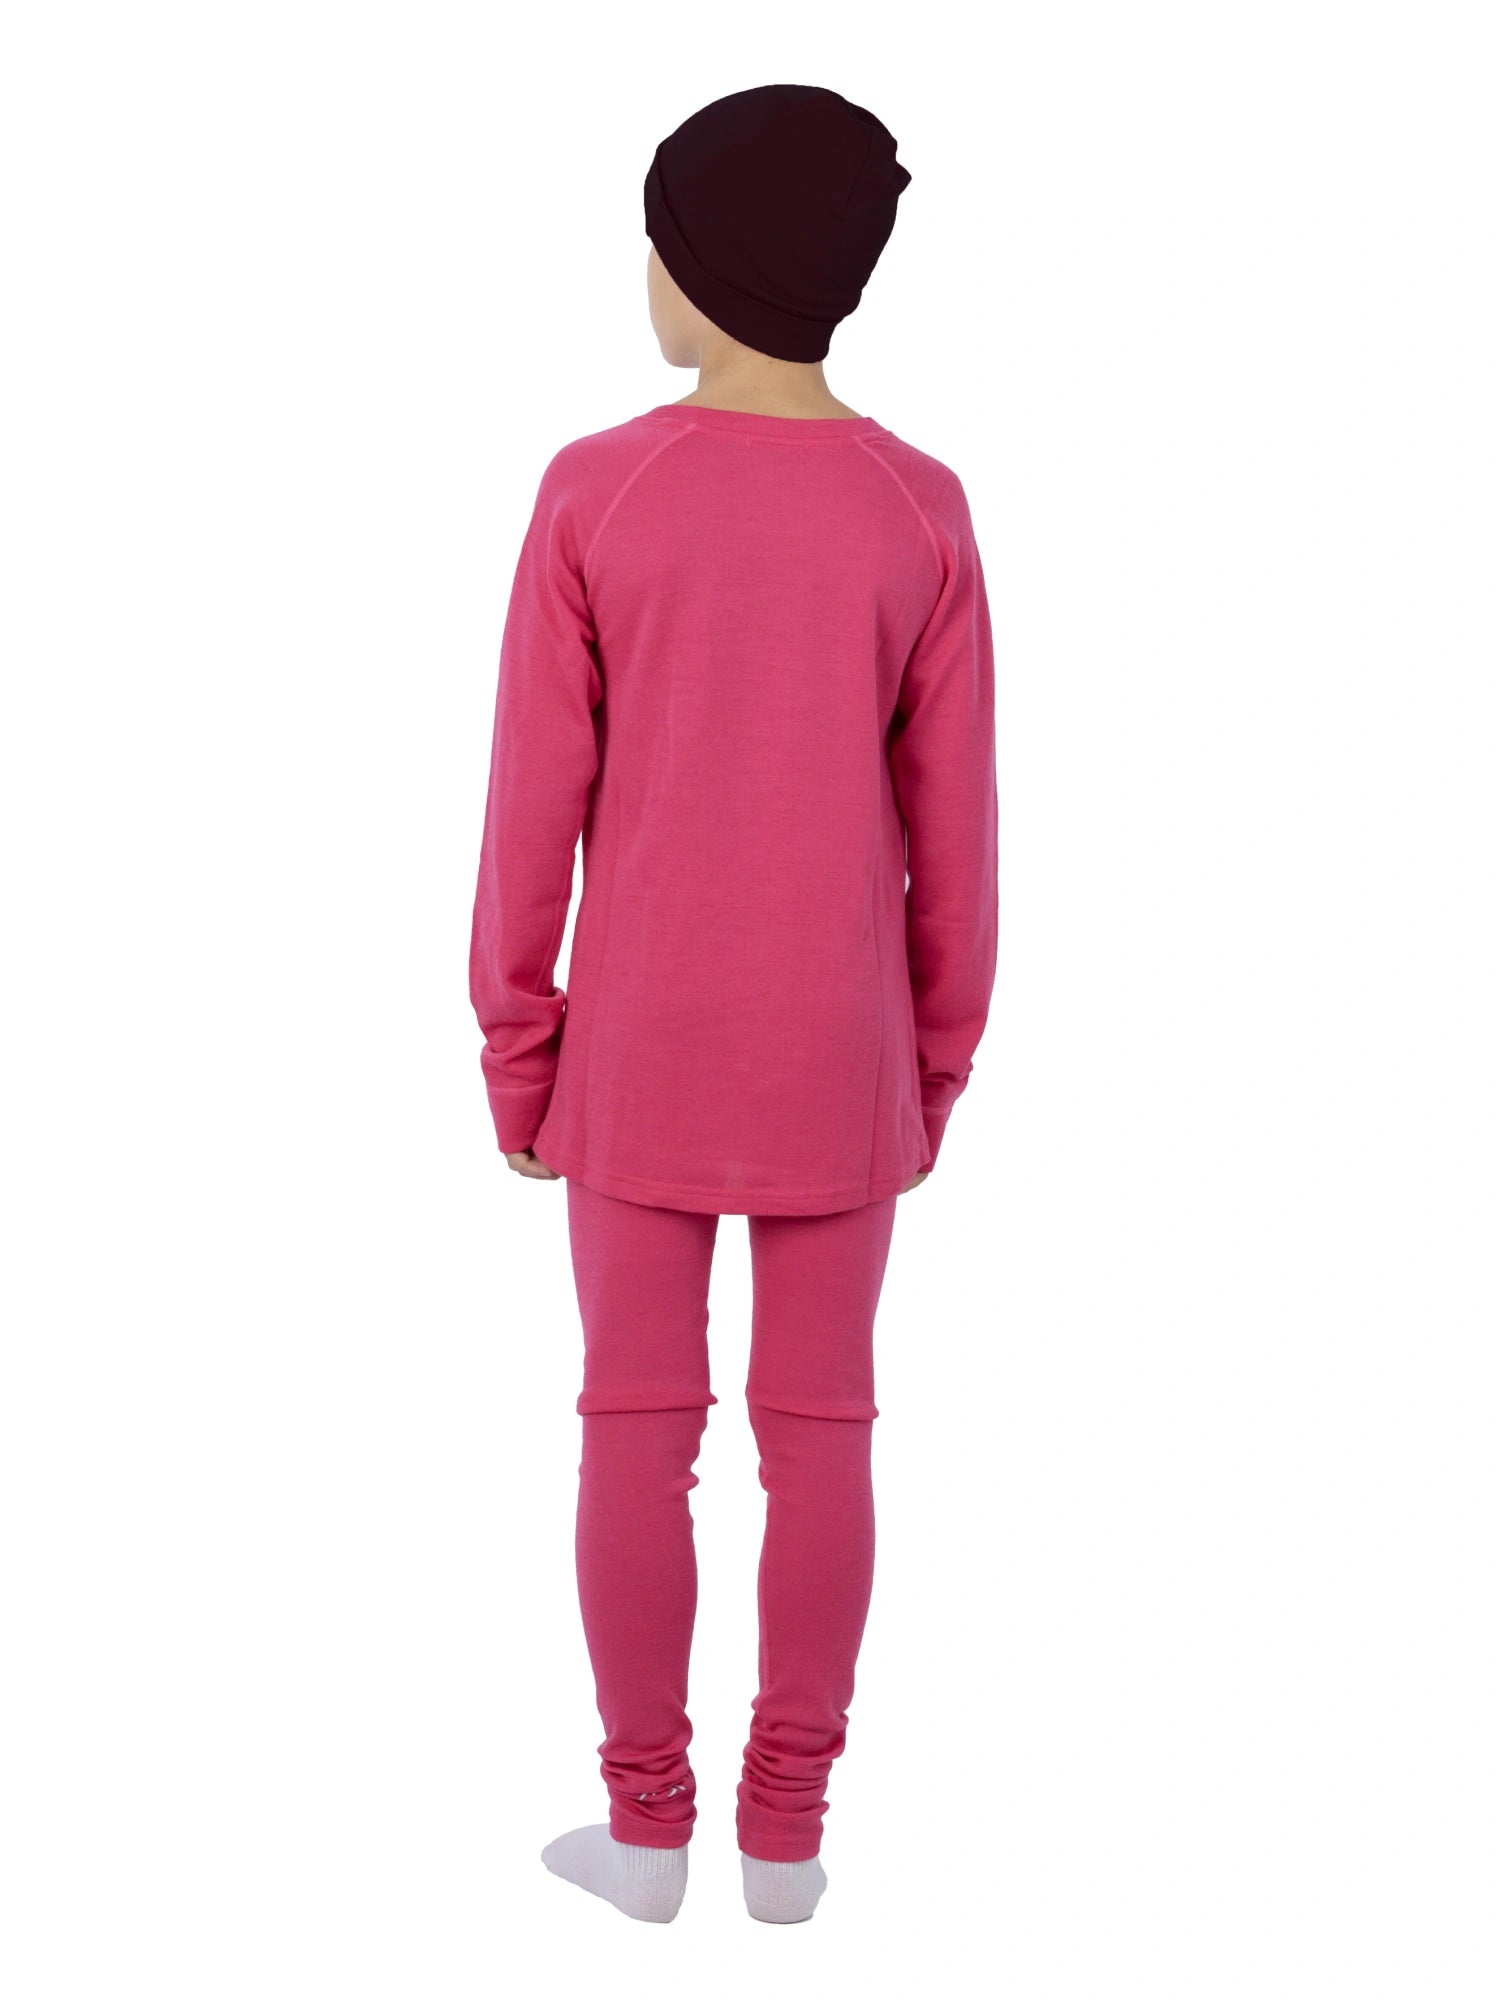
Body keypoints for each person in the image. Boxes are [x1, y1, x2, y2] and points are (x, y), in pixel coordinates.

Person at [469, 83, 998, 1925]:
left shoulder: (595, 489)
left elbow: (530, 809)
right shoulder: (919, 510)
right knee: (822, 1434)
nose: (644, 268)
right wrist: (933, 1071)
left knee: (635, 1426)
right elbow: (958, 831)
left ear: (706, 263)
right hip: (841, 1065)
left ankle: (646, 1834)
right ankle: (787, 1839)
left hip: (634, 1061)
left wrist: (518, 1054)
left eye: (659, 236)